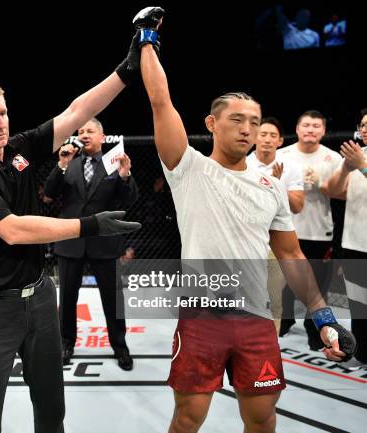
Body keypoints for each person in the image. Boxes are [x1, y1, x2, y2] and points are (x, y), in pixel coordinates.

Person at [135, 7, 355, 433]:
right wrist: (146, 41)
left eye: (254, 122)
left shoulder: (270, 185)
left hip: (257, 318)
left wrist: (322, 316)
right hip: (202, 316)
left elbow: (290, 254)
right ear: (211, 123)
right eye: (237, 119)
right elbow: (160, 100)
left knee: (261, 419)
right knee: (187, 419)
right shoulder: (188, 167)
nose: (247, 129)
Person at [0, 37, 142, 432]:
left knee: (51, 406)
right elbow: (13, 231)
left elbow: (78, 110)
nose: (1, 122)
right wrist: (90, 224)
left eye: (3, 113)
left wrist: (127, 68)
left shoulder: (19, 149)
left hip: (39, 295)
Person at [43, 118, 138, 370]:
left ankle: (120, 345)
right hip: (71, 241)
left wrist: (125, 176)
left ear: (102, 137)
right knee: (68, 297)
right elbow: (49, 194)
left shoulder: (113, 163)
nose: (84, 134)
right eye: (81, 131)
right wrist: (61, 165)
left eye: (90, 131)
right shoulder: (69, 165)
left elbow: (128, 201)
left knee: (112, 298)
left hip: (104, 242)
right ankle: (66, 343)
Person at [277, 111, 342, 345]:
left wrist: (320, 184)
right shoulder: (281, 154)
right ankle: (283, 322)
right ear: (297, 129)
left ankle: (315, 329)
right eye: (306, 125)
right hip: (285, 229)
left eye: (316, 126)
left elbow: (343, 193)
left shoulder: (333, 158)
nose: (311, 130)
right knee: (282, 282)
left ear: (323, 131)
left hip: (319, 231)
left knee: (318, 284)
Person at [246, 117, 304, 334]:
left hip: (274, 247)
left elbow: (298, 206)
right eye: (263, 134)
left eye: (272, 135)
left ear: (280, 141)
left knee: (273, 301)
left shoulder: (291, 167)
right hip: (245, 245)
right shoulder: (242, 164)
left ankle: (270, 350)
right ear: (254, 137)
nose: (267, 140)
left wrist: (278, 186)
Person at [326, 109, 367, 370]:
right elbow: (333, 190)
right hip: (354, 242)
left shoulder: (361, 159)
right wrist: (346, 165)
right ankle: (362, 353)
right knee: (359, 307)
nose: (366, 128)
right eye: (363, 124)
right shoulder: (356, 156)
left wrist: (361, 165)